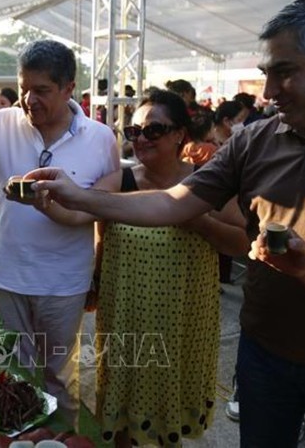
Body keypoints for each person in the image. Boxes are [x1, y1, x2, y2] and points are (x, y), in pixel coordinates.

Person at [28, 0, 305, 447]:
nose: (268, 92)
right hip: (264, 353)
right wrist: (78, 196)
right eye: (265, 74)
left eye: (283, 71)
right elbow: (172, 203)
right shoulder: (255, 140)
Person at [0, 39, 119, 425]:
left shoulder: (100, 138)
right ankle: (18, 436)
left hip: (65, 282)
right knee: (14, 376)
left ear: (69, 89)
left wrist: (96, 271)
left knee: (60, 378)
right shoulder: (1, 123)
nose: (29, 100)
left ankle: (61, 436)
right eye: (23, 88)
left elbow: (101, 211)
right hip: (9, 277)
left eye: (42, 90)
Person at [89, 90, 248, 447]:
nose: (141, 139)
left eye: (153, 130)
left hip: (183, 322)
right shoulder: (120, 180)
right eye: (134, 132)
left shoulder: (207, 183)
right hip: (126, 314)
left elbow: (242, 243)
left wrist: (199, 222)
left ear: (180, 134)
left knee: (169, 411)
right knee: (123, 408)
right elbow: (92, 222)